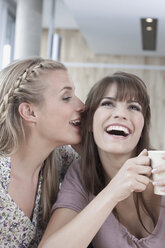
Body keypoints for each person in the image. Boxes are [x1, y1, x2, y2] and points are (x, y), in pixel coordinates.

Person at [39, 72, 165, 248]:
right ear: (89, 122)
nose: (121, 114)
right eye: (107, 103)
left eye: (134, 107)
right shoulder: (81, 175)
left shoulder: (162, 168)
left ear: (143, 127)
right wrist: (112, 192)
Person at [0, 57, 85, 247]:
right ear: (30, 112)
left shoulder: (60, 158)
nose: (82, 106)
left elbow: (104, 171)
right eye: (66, 98)